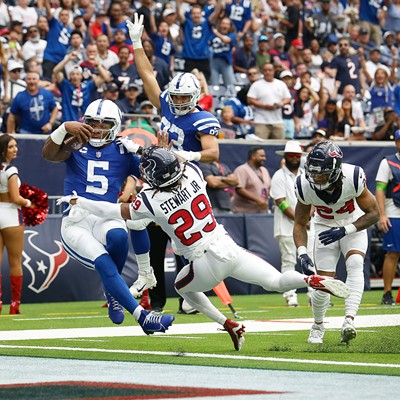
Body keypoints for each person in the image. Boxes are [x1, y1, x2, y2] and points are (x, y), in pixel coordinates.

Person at [57, 145, 351, 351]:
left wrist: (79, 202)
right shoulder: (194, 174)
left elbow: (113, 212)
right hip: (227, 245)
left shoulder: (150, 200)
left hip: (203, 259)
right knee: (275, 281)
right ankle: (312, 280)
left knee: (185, 289)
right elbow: (181, 160)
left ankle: (229, 324)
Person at [42, 99, 174, 335]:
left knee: (119, 238)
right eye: (93, 123)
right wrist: (63, 128)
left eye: (105, 124)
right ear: (85, 123)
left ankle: (114, 294)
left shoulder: (124, 149)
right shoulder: (76, 144)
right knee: (104, 262)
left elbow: (155, 175)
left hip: (106, 215)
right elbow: (49, 154)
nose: (98, 129)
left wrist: (163, 154)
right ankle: (142, 317)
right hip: (77, 219)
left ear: (115, 126)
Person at [294, 141, 379, 344]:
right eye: (312, 172)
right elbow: (299, 223)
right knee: (324, 281)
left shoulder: (354, 177)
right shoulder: (304, 185)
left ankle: (349, 321)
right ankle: (317, 325)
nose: (315, 177)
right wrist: (302, 253)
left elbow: (374, 213)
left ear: (335, 170)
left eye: (320, 173)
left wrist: (345, 230)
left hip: (352, 224)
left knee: (356, 264)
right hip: (324, 227)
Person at [270, 141, 309, 307]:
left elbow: (312, 200)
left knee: (311, 260)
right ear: (285, 157)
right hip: (286, 227)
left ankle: (313, 295)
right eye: (291, 155)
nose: (294, 158)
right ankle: (290, 295)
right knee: (289, 260)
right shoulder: (279, 175)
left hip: (307, 226)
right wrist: (300, 220)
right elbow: (281, 202)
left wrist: (307, 218)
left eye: (297, 155)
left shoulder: (306, 175)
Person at [0, 134, 34, 314]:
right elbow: (15, 197)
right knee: (15, 261)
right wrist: (30, 203)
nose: (15, 149)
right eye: (11, 147)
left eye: (16, 146)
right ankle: (14, 305)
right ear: (3, 149)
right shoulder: (11, 170)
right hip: (11, 215)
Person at [375, 129, 400, 305]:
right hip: (394, 213)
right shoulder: (388, 162)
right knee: (393, 253)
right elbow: (380, 190)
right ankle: (387, 293)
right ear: (396, 143)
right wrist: (382, 214)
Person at [247, 62, 291, 140]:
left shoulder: (281, 84)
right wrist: (264, 106)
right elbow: (250, 99)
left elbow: (288, 98)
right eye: (265, 70)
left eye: (270, 70)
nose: (267, 72)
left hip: (278, 121)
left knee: (279, 146)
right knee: (260, 146)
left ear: (274, 71)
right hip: (261, 121)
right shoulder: (256, 85)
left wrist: (281, 103)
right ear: (262, 72)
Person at [232, 146, 271, 214]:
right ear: (253, 156)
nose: (264, 158)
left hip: (262, 212)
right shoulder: (242, 169)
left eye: (264, 156)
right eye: (261, 156)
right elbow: (239, 189)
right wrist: (257, 200)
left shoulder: (264, 170)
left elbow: (269, 187)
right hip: (244, 214)